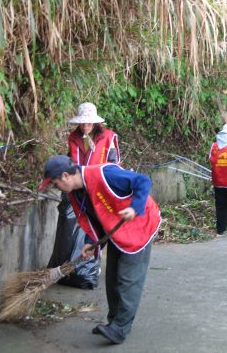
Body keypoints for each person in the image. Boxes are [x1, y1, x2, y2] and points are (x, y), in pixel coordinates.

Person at [40, 155, 161, 345]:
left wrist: (134, 208)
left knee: (128, 279)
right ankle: (113, 322)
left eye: (55, 184)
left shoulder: (105, 174)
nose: (56, 189)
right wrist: (92, 242)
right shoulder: (77, 193)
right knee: (112, 277)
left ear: (65, 176)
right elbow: (95, 218)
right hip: (119, 231)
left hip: (140, 226)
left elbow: (143, 181)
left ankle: (120, 328)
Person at [47, 102, 121, 289]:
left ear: (95, 123)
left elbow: (114, 165)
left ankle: (90, 267)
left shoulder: (109, 138)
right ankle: (64, 266)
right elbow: (70, 161)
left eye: (89, 123)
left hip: (99, 187)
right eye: (83, 123)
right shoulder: (73, 137)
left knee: (96, 226)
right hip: (77, 186)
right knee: (69, 222)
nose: (86, 126)